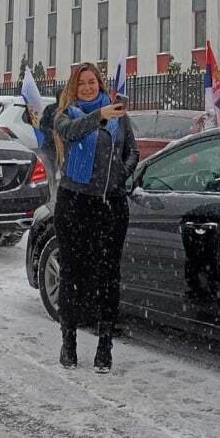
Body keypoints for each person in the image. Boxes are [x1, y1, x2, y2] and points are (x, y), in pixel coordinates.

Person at [51, 62, 139, 373]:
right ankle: (69, 340)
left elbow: (133, 152)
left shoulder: (118, 115)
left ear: (100, 85)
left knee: (108, 275)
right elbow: (72, 133)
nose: (88, 87)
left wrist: (120, 176)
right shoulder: (66, 116)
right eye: (82, 84)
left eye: (93, 82)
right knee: (73, 273)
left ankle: (105, 345)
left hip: (110, 205)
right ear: (74, 89)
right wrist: (99, 116)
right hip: (74, 202)